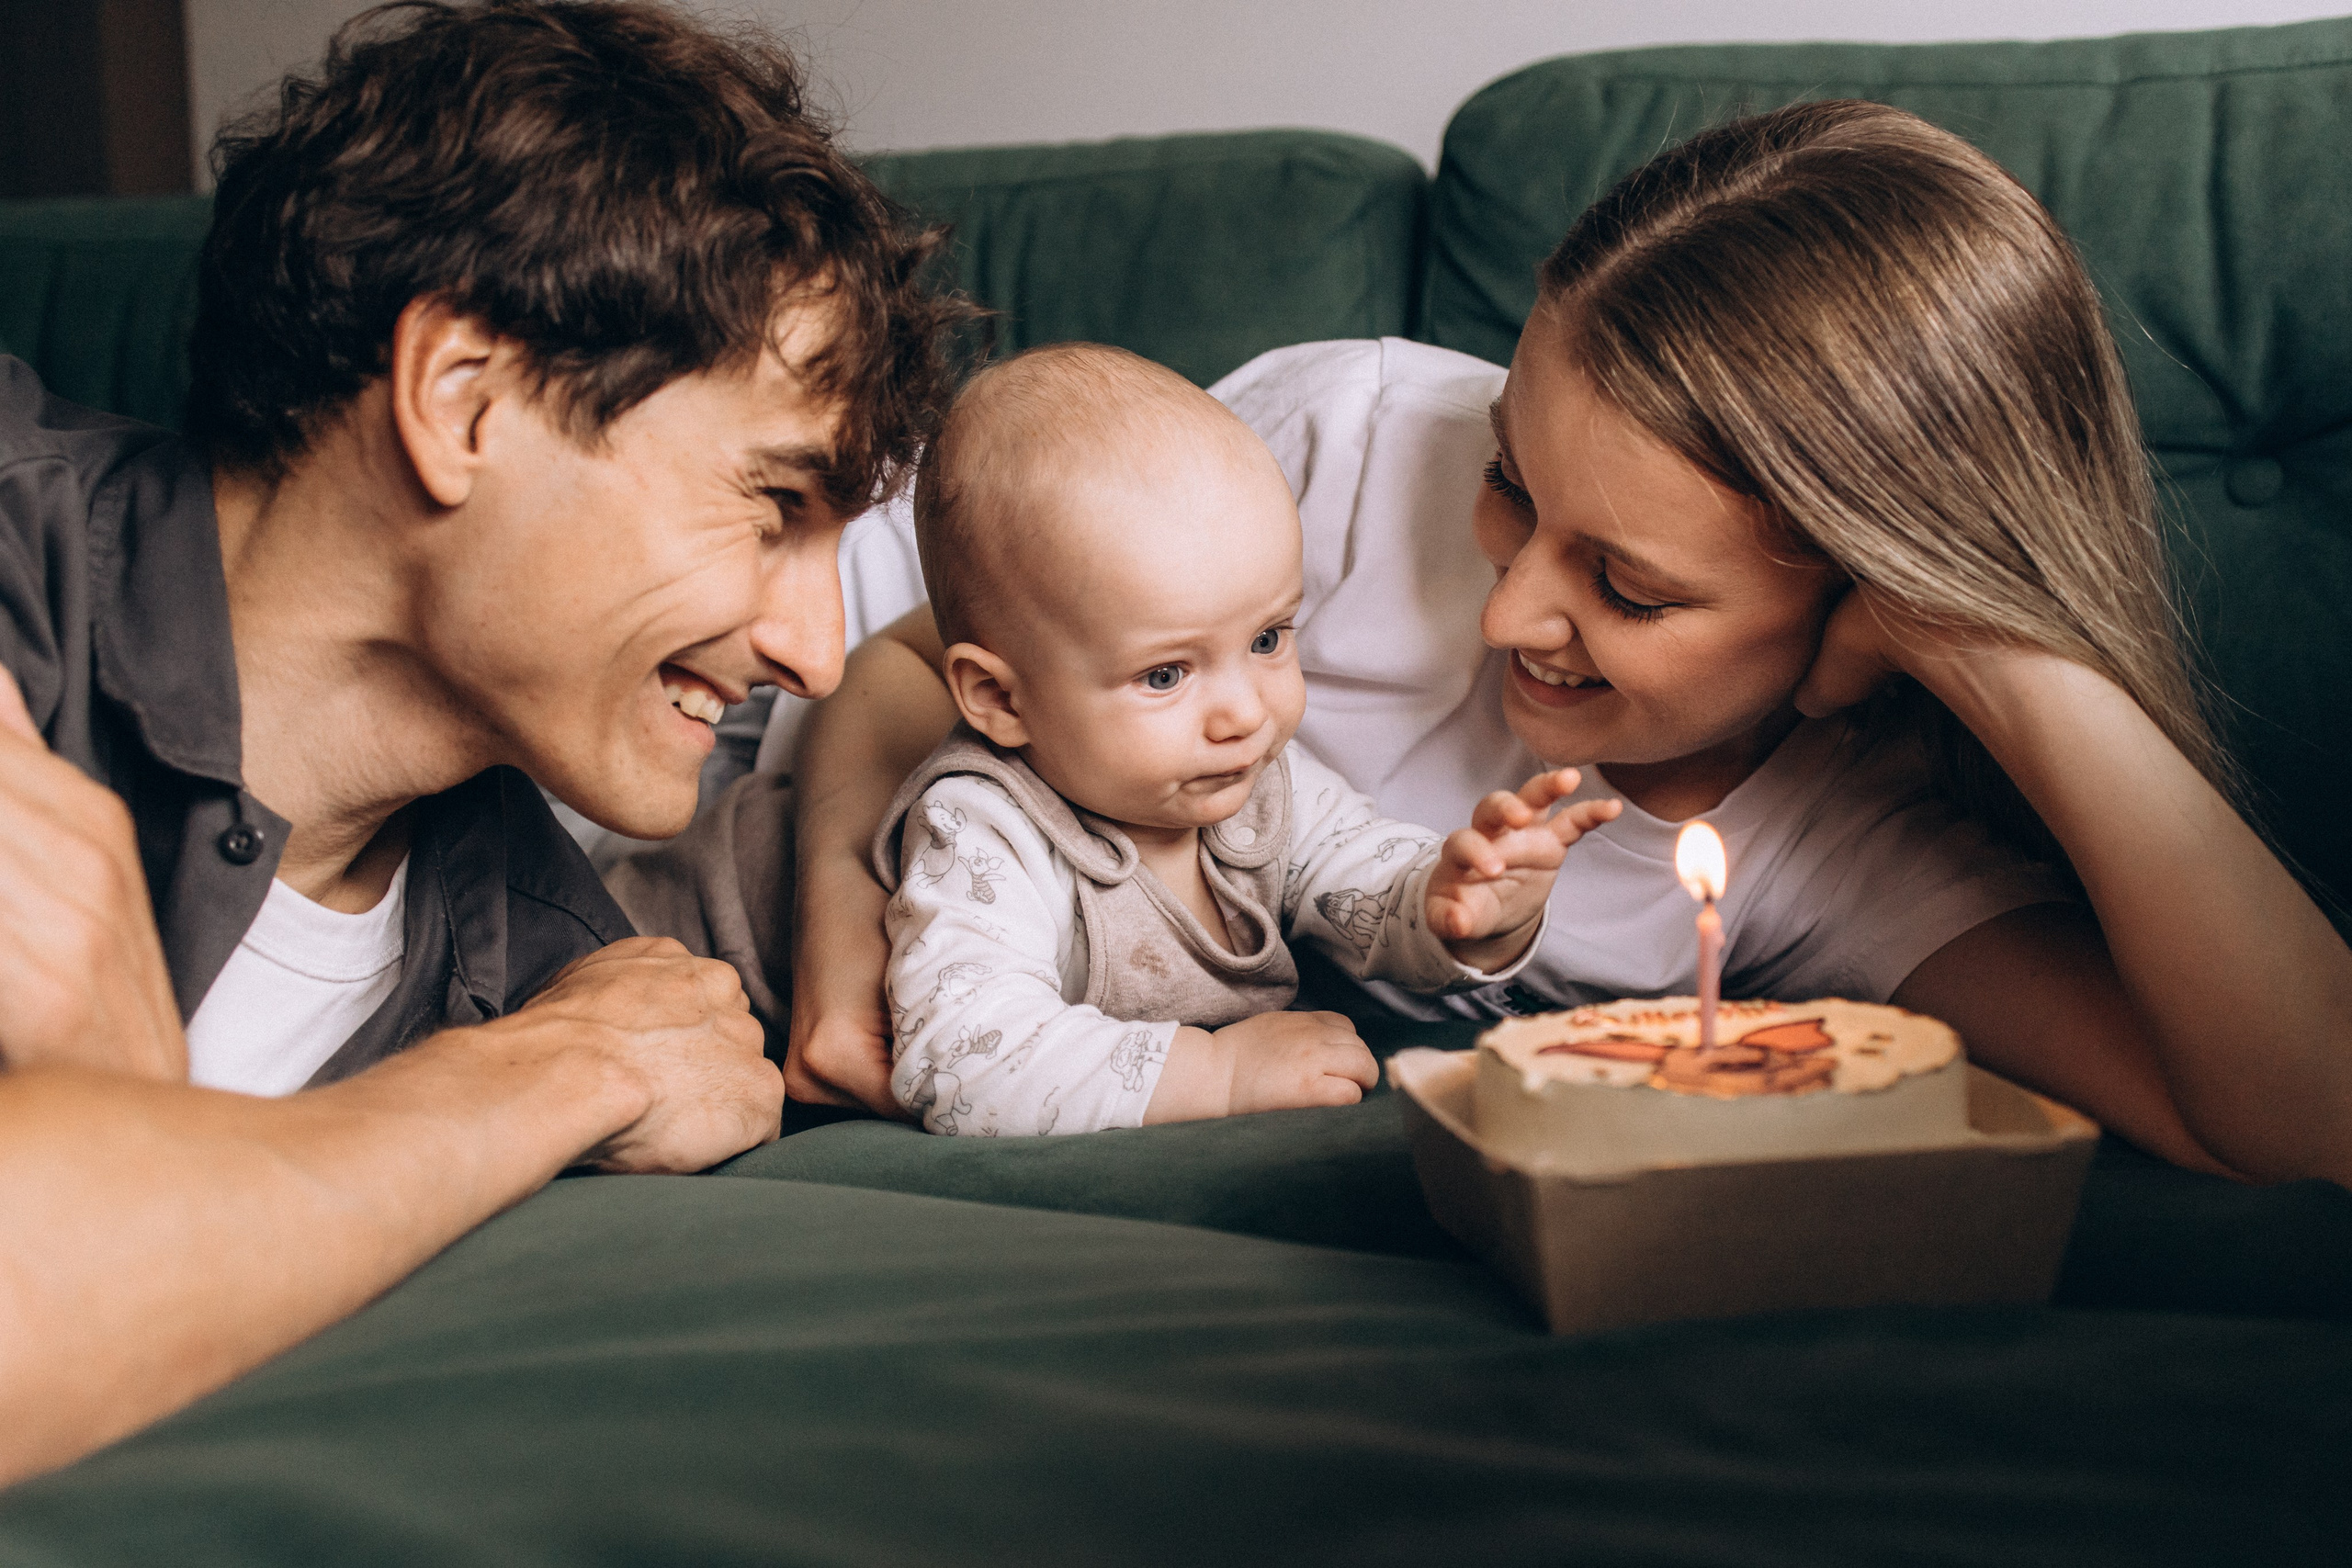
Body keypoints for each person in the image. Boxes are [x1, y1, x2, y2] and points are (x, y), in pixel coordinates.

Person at [771, 101, 2352, 1189]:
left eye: (1632, 590)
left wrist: (2008, 652)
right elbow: (915, 662)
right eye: (1511, 483)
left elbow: (2304, 1119)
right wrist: (850, 920)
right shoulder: (1352, 445)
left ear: (1868, 587)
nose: (1511, 613)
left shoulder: (1854, 841)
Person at [0, 0, 966, 1485]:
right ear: (464, 400)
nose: (814, 652)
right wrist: (544, 1075)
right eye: (774, 505)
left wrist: (549, 1056)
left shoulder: (564, 963)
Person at [873, 344, 1618, 1134]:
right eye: (1165, 674)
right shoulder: (984, 829)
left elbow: (1359, 882)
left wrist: (1458, 904)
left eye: (1267, 639)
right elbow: (963, 1060)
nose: (1245, 713)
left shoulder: (1259, 782)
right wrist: (1219, 1073)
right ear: (1000, 697)